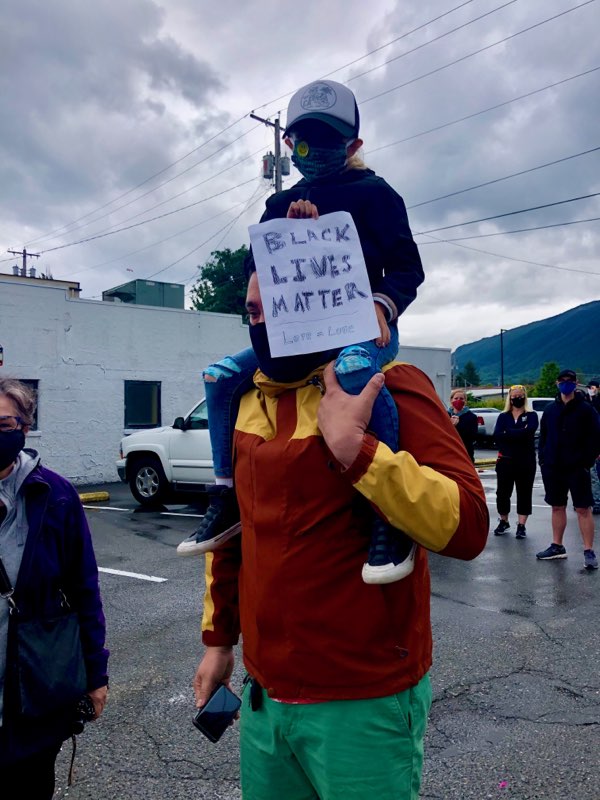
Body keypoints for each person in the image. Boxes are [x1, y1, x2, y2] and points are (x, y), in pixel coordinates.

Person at [192, 265, 489, 800]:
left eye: (273, 309)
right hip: (265, 698)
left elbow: (468, 525)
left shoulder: (389, 383)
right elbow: (234, 534)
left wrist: (359, 451)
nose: (259, 324)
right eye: (252, 312)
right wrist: (219, 643)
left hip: (362, 702)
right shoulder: (247, 397)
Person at [177, 78, 424, 584]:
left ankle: (389, 513)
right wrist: (289, 236)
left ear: (354, 145)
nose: (313, 150)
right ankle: (226, 494)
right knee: (220, 377)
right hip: (294, 337)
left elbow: (407, 268)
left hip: (360, 329)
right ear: (289, 143)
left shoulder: (377, 195)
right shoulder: (278, 206)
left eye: (329, 140)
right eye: (304, 141)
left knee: (355, 368)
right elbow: (254, 268)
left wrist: (383, 304)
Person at [0, 379, 109, 797]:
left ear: (25, 428)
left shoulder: (56, 495)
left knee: (30, 784)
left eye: (4, 424)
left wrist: (95, 674)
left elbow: (85, 589)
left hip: (36, 687)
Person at [536, 368, 600, 570]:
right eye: (562, 380)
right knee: (557, 506)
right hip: (553, 466)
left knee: (583, 508)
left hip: (577, 467)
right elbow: (543, 436)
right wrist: (543, 459)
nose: (566, 383)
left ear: (575, 383)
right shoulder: (550, 410)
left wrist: (586, 461)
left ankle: (588, 551)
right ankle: (557, 546)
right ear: (557, 383)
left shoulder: (586, 409)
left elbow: (596, 437)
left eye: (569, 380)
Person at [492, 385, 539, 538]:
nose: (517, 398)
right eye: (514, 396)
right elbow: (498, 435)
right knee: (502, 493)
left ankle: (521, 525)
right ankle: (504, 521)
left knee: (524, 492)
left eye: (520, 395)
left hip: (526, 460)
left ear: (524, 397)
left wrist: (509, 433)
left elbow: (529, 432)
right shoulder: (503, 416)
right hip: (506, 460)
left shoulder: (531, 415)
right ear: (510, 398)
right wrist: (519, 433)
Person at [447, 388, 478, 462]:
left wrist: (458, 425)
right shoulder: (445, 415)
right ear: (451, 400)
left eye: (461, 399)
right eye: (456, 398)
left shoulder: (471, 417)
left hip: (465, 452)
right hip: (448, 452)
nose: (458, 401)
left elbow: (473, 436)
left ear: (465, 401)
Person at [586, 380, 600, 514]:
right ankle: (585, 500)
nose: (590, 389)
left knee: (594, 475)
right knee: (587, 475)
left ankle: (597, 501)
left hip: (594, 444)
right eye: (589, 387)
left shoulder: (597, 402)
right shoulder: (585, 401)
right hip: (584, 445)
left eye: (593, 387)